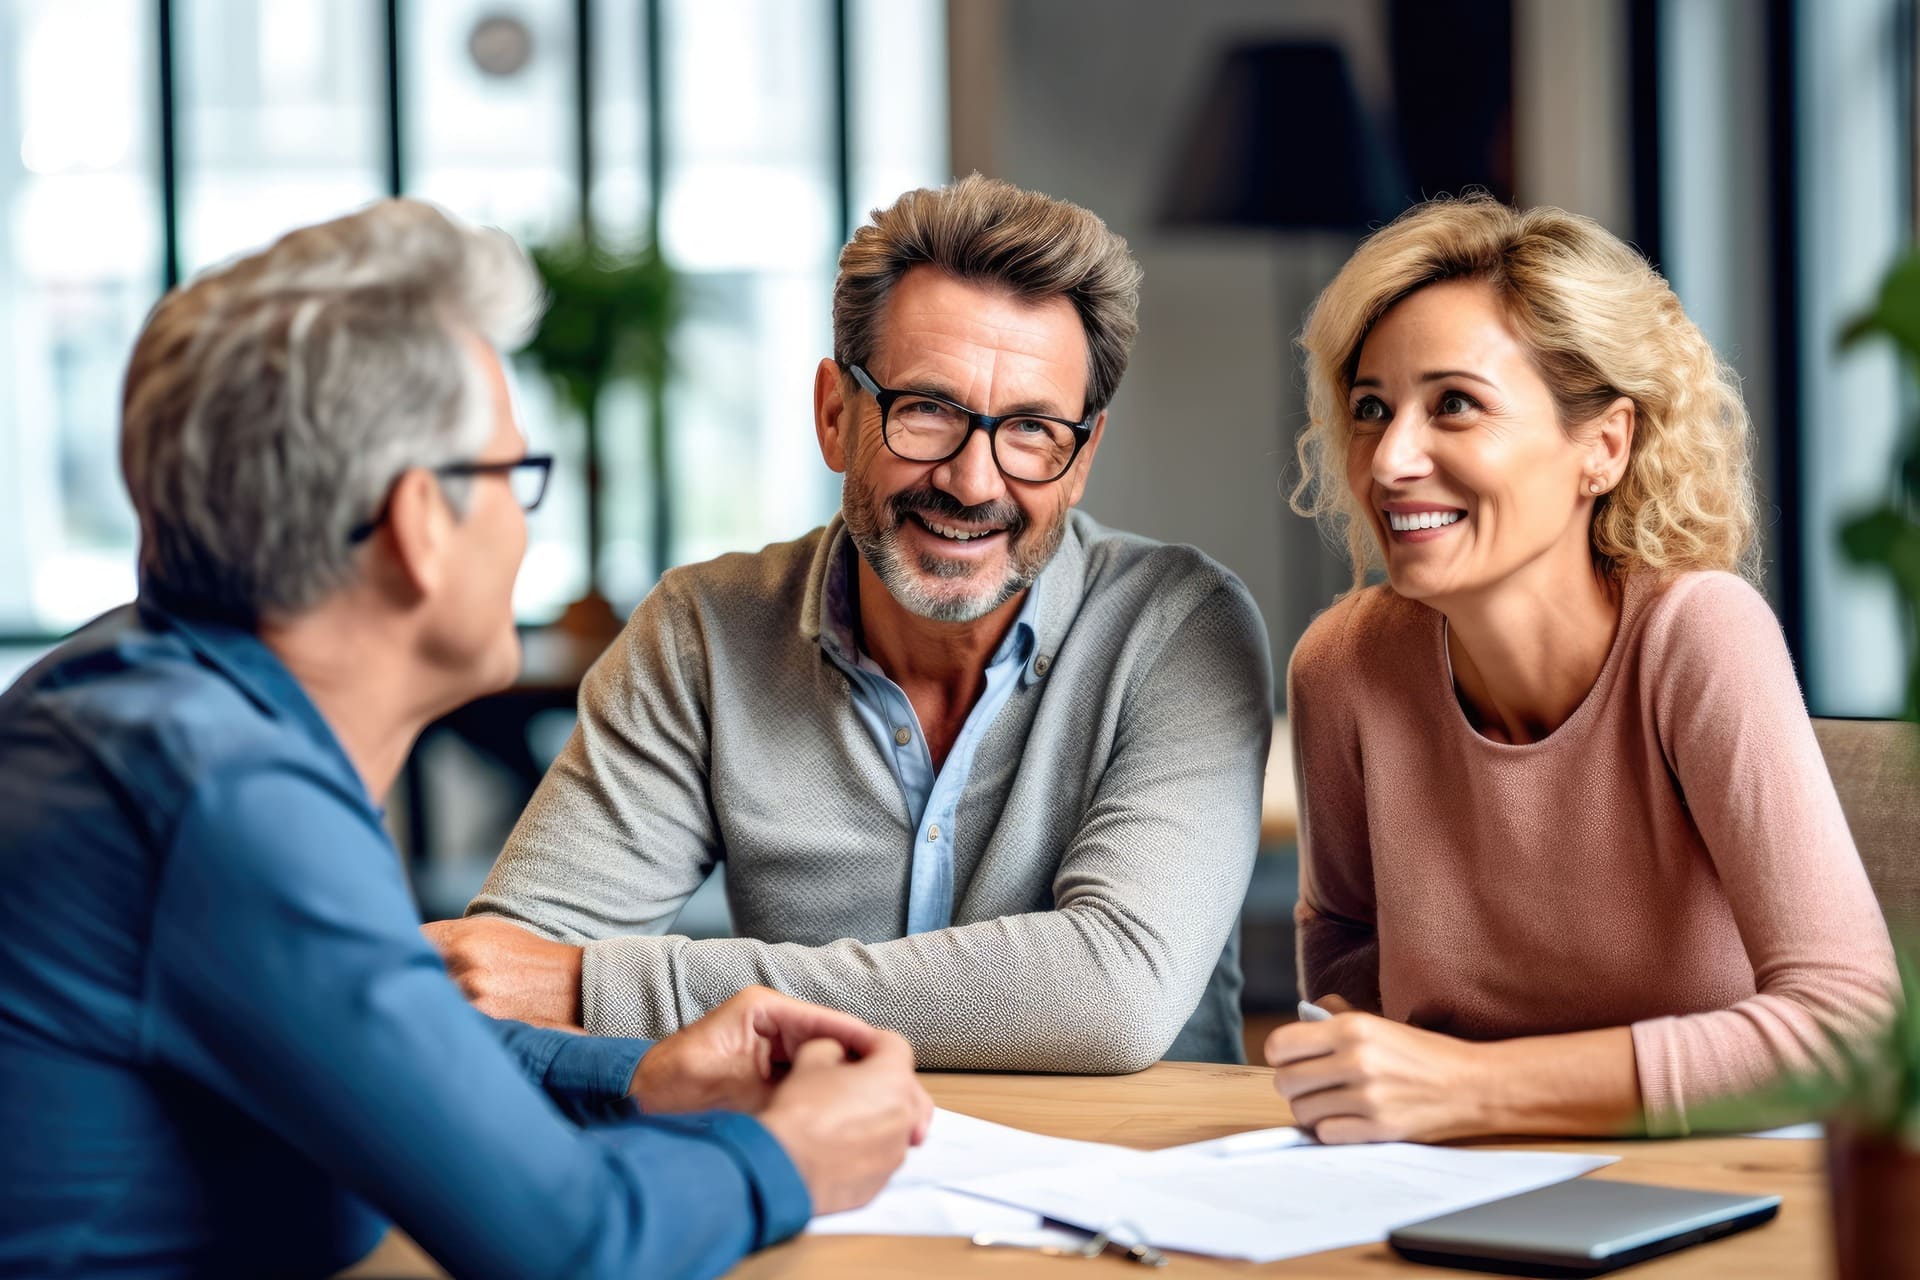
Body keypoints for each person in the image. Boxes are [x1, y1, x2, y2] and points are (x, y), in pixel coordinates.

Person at [0, 199, 930, 1280]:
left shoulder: (130, 697)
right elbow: (574, 1240)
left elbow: (362, 1042)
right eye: (513, 474)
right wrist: (788, 1152)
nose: (528, 526)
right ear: (419, 522)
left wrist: (640, 1077)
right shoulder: (224, 795)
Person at [425, 175, 1273, 1070]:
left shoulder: (1181, 628)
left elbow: (1113, 997)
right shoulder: (704, 637)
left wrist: (608, 990)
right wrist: (563, 988)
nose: (974, 482)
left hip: (1132, 1192)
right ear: (836, 414)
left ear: (1081, 457)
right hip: (829, 1185)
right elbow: (502, 980)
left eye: (1030, 429)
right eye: (927, 411)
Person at [1267, 194, 1897, 1143]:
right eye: (1370, 408)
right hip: (1435, 1184)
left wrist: (1473, 1089)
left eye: (1455, 406)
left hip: (1709, 1182)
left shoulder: (1698, 637)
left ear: (1603, 446)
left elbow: (1852, 1028)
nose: (1391, 458)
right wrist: (1369, 1072)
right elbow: (1346, 944)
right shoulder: (1344, 666)